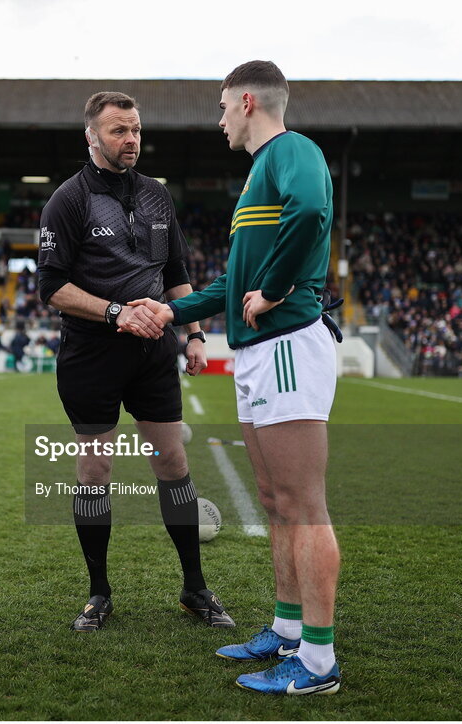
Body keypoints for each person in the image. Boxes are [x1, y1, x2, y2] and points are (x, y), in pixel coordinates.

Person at [128, 61, 343, 695]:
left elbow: (311, 214)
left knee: (304, 507)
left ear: (247, 101)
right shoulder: (258, 175)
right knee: (277, 502)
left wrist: (274, 289)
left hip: (285, 346)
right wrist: (174, 309)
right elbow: (233, 283)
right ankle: (285, 629)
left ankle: (318, 663)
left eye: (223, 106)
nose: (219, 118)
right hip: (257, 351)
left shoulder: (291, 151)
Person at [36, 91, 233, 633]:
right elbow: (51, 287)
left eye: (137, 130)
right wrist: (116, 311)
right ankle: (99, 593)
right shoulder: (68, 201)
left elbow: (176, 271)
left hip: (153, 354)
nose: (132, 141)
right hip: (90, 355)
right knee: (95, 468)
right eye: (120, 131)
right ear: (92, 136)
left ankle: (195, 589)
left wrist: (194, 334)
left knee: (173, 464)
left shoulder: (156, 196)